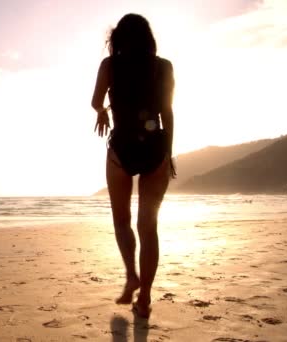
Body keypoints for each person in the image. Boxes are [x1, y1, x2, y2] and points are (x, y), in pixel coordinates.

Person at [91, 13, 175, 318]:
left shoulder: (110, 65)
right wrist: (169, 154)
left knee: (122, 220)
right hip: (155, 148)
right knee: (148, 227)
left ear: (119, 39)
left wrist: (102, 111)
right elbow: (167, 113)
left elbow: (95, 100)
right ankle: (145, 299)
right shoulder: (163, 67)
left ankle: (131, 276)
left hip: (121, 148)